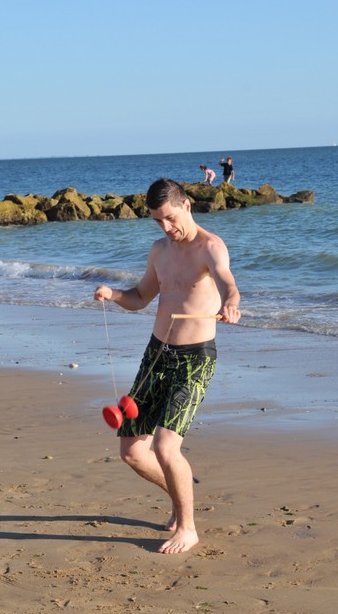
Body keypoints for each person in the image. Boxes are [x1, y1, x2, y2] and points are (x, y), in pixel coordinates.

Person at [94, 178, 241, 555]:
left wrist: (231, 304)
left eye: (170, 218)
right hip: (156, 356)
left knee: (164, 446)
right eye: (158, 221)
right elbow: (141, 297)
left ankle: (188, 529)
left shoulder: (210, 247)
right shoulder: (159, 250)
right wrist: (114, 294)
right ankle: (180, 498)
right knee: (131, 452)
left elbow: (227, 283)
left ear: (186, 206)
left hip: (194, 360)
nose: (166, 227)